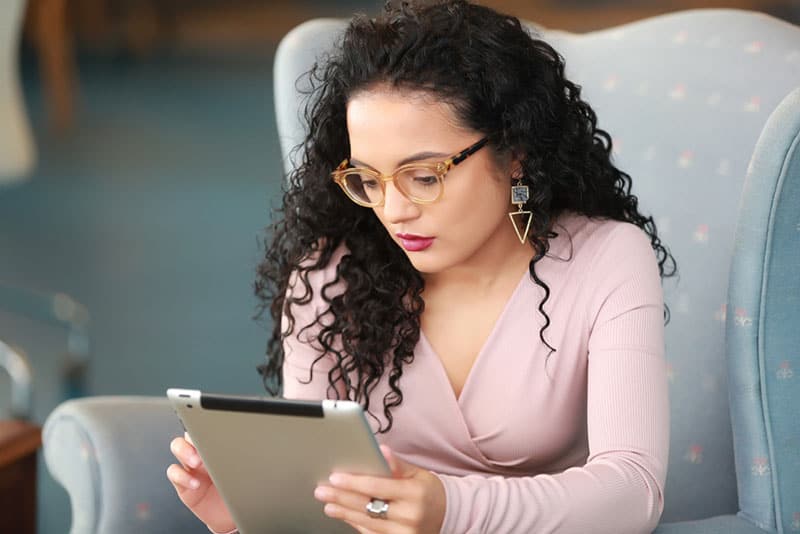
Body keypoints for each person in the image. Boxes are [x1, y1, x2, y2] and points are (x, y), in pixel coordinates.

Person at [167, 1, 676, 532]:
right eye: (368, 179)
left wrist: (449, 511)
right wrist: (247, 516)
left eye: (424, 177)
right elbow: (322, 502)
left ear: (515, 153)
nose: (394, 210)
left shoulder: (606, 259)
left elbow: (633, 490)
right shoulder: (329, 275)